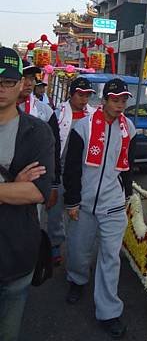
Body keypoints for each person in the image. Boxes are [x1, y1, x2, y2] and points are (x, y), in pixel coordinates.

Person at [64, 78, 137, 339]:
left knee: (110, 258)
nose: (120, 105)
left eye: (124, 100)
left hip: (113, 205)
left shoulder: (129, 128)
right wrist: (72, 201)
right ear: (104, 100)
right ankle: (77, 279)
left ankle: (109, 311)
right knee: (79, 249)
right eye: (115, 100)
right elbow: (71, 168)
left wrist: (127, 195)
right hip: (83, 203)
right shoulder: (82, 127)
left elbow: (129, 166)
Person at [0, 47, 55, 341]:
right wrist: (13, 187)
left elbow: (36, 191)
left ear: (21, 84)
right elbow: (23, 190)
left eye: (8, 82)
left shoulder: (37, 131)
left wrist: (25, 188)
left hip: (17, 255)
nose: (2, 89)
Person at [47, 77, 96, 265]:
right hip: (59, 168)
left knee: (79, 211)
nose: (84, 99)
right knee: (54, 210)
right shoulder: (58, 113)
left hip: (82, 171)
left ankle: (78, 255)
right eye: (80, 95)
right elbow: (51, 145)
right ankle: (54, 245)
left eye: (87, 95)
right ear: (72, 94)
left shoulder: (93, 115)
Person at [17, 61, 61, 210]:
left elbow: (54, 149)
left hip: (35, 184)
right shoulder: (5, 109)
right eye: (24, 77)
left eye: (32, 78)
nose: (29, 83)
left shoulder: (45, 111)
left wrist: (53, 185)